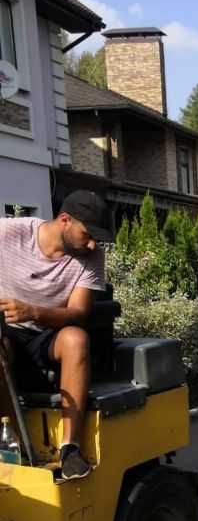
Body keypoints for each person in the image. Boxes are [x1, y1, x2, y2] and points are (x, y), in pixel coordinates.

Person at [0, 190, 110, 479]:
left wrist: (33, 312)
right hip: (7, 332)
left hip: (48, 335)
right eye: (87, 234)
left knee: (76, 338)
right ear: (64, 220)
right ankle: (15, 445)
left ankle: (70, 449)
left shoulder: (92, 257)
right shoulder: (10, 233)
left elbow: (77, 314)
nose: (92, 244)